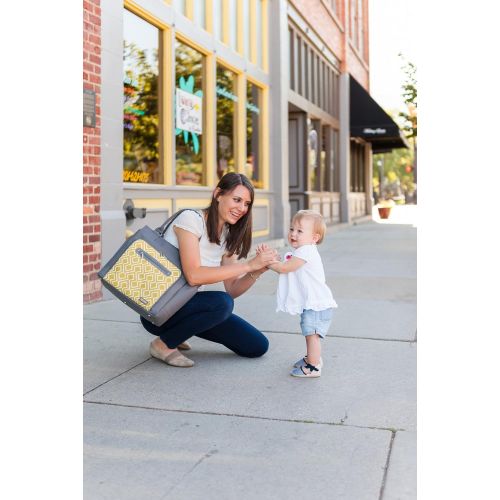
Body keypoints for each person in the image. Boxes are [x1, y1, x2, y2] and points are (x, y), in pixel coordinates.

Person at [140, 172, 279, 367]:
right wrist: (248, 264)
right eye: (237, 200)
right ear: (218, 194)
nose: (241, 208)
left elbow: (233, 288)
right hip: (159, 308)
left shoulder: (228, 235)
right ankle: (163, 344)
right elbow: (194, 275)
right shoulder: (191, 220)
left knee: (257, 346)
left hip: (190, 308)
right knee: (222, 303)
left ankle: (177, 333)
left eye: (246, 204)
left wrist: (257, 270)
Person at [258, 210, 337, 378]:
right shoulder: (304, 250)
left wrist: (267, 261)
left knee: (311, 335)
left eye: (300, 231)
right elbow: (288, 265)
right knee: (310, 333)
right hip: (314, 303)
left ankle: (313, 366)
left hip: (317, 304)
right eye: (292, 229)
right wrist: (274, 259)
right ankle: (312, 358)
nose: (293, 234)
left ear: (314, 238)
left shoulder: (305, 251)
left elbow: (285, 268)